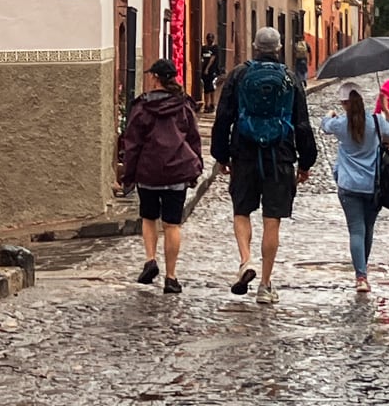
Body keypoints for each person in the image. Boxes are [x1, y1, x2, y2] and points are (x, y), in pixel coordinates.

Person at [211, 26, 318, 305]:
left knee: (241, 211)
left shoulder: (238, 75)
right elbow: (302, 124)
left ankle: (245, 261)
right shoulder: (291, 79)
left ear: (255, 47)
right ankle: (266, 285)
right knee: (272, 220)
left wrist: (221, 156)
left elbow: (223, 118)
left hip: (244, 153)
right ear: (279, 49)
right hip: (280, 156)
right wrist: (306, 163)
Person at [118, 58, 203, 294]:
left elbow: (132, 144)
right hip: (177, 171)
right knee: (172, 224)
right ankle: (171, 276)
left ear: (155, 78)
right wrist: (195, 168)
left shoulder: (142, 107)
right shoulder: (183, 106)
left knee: (149, 218)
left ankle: (150, 259)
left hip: (149, 172)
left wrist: (128, 175)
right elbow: (193, 139)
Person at [321, 82, 389, 292]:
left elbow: (324, 126)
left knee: (356, 230)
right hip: (373, 186)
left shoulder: (340, 123)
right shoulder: (375, 121)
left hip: (348, 186)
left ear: (344, 104)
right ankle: (362, 271)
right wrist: (385, 110)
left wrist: (330, 114)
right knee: (368, 229)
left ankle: (361, 276)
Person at [199, 33, 221, 113]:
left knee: (211, 87)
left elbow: (212, 59)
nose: (210, 40)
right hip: (205, 72)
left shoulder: (215, 48)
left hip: (213, 70)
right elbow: (202, 59)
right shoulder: (204, 48)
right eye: (208, 38)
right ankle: (206, 104)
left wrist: (207, 68)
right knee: (206, 87)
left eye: (211, 38)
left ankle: (212, 103)